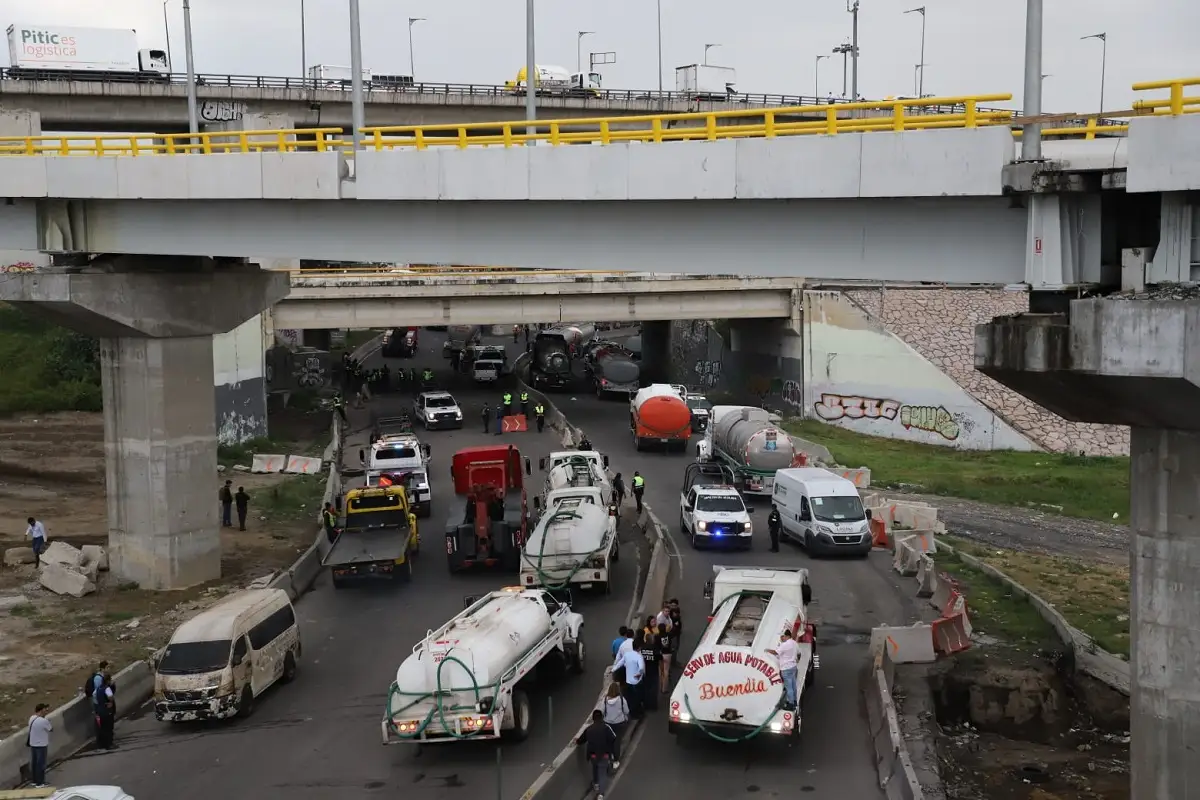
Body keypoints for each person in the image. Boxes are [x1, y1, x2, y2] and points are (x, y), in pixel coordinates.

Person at [576, 709, 617, 800]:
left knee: (595, 768)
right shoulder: (606, 727)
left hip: (593, 755)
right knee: (602, 773)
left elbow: (581, 740)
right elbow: (613, 738)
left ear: (593, 718)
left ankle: (596, 784)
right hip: (604, 754)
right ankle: (601, 794)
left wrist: (577, 741)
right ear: (602, 718)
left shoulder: (589, 729)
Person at [766, 629, 800, 710]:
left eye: (783, 636)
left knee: (788, 687)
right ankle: (795, 701)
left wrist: (767, 650)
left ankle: (790, 704)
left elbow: (776, 652)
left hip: (786, 668)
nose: (781, 638)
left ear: (787, 636)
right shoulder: (794, 643)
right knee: (793, 685)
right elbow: (798, 653)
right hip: (793, 667)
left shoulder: (785, 645)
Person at [613, 639, 645, 718]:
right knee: (636, 697)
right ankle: (636, 713)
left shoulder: (627, 655)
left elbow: (619, 663)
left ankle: (631, 712)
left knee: (628, 697)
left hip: (626, 680)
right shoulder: (638, 656)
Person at [601, 681, 630, 766]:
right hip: (620, 724)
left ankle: (610, 757)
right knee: (617, 742)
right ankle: (616, 761)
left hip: (608, 723)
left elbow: (602, 711)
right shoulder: (621, 699)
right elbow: (627, 711)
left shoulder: (605, 700)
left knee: (609, 741)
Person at [26, 702, 51, 787]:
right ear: (41, 710)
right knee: (41, 764)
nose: (46, 711)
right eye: (45, 710)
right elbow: (51, 729)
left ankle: (34, 780)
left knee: (34, 763)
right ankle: (40, 783)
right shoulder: (44, 721)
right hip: (42, 745)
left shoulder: (31, 718)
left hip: (33, 744)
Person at [656, 622, 674, 693]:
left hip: (660, 654)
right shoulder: (669, 635)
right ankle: (664, 689)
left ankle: (660, 687)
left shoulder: (657, 636)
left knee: (661, 671)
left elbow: (656, 646)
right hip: (667, 654)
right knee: (666, 671)